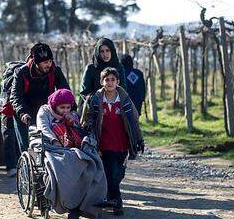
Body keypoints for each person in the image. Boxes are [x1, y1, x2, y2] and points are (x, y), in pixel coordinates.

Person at [37, 89, 107, 219]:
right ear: (54, 105)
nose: (65, 110)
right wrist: (54, 140)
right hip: (51, 146)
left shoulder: (72, 114)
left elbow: (78, 132)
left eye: (68, 107)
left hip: (72, 147)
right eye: (62, 107)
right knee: (64, 167)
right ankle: (69, 204)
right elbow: (43, 128)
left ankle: (84, 204)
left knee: (90, 164)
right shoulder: (45, 111)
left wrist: (72, 122)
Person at [84, 67, 144, 216]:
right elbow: (88, 119)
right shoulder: (96, 100)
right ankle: (117, 202)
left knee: (118, 174)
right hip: (104, 144)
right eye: (107, 79)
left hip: (123, 144)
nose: (110, 82)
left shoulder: (124, 99)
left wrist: (139, 138)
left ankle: (110, 197)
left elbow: (134, 120)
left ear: (118, 81)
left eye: (112, 79)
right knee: (110, 173)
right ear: (101, 82)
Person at [10, 43, 70, 153]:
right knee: (27, 148)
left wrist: (70, 110)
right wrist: (22, 112)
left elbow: (65, 92)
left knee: (48, 144)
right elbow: (15, 96)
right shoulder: (21, 73)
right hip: (25, 114)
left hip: (46, 113)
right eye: (45, 62)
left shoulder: (55, 71)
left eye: (50, 61)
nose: (49, 64)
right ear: (36, 62)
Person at [79, 38, 127, 117]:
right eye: (102, 51)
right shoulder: (91, 68)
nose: (105, 54)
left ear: (112, 51)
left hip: (116, 107)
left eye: (107, 50)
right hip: (94, 108)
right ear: (98, 52)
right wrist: (98, 100)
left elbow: (123, 87)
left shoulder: (119, 67)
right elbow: (85, 91)